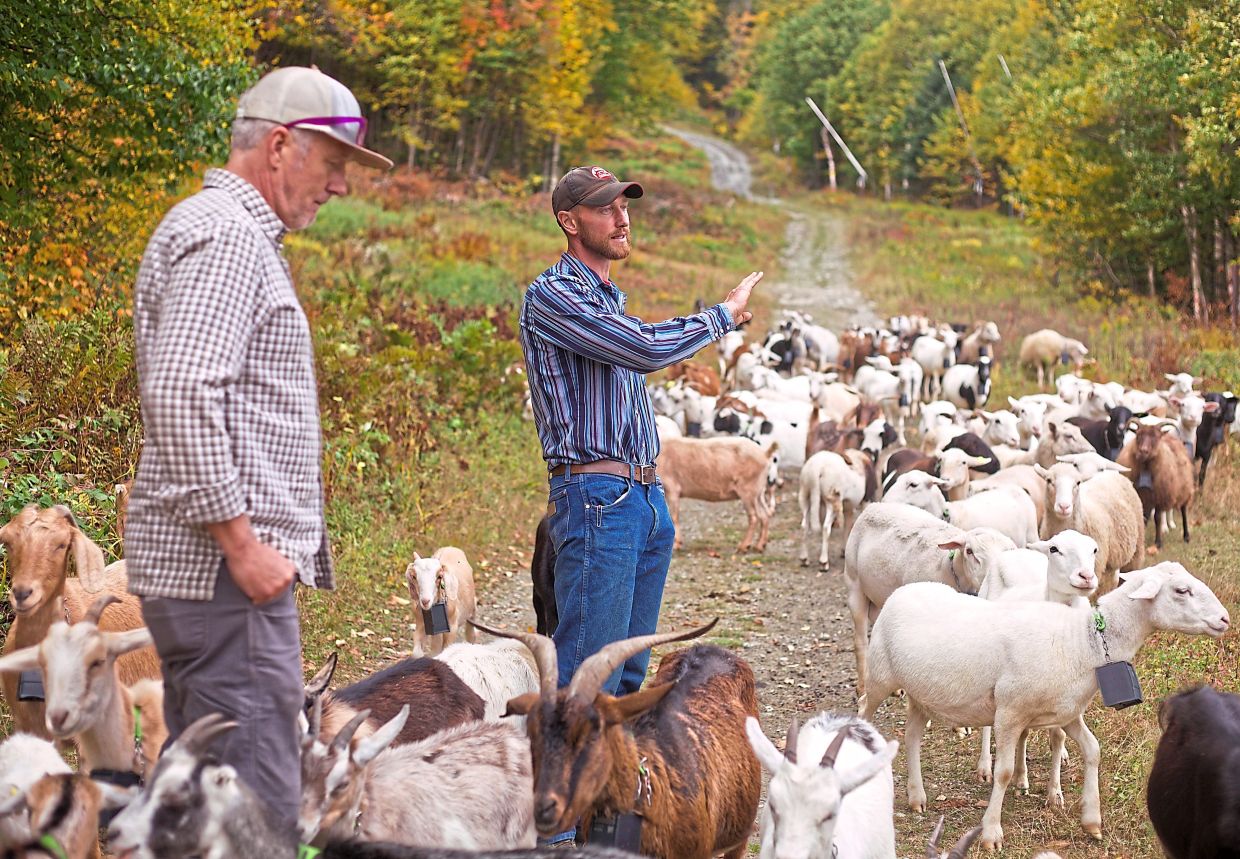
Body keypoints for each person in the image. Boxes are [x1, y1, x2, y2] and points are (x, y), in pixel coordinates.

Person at [125, 66, 392, 829]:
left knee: (208, 808)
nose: (340, 187)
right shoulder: (225, 237)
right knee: (259, 810)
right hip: (224, 584)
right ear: (281, 147)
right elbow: (181, 390)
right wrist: (240, 542)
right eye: (335, 165)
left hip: (220, 588)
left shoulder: (225, 233)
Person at [520, 165, 762, 701]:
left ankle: (619, 786)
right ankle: (554, 784)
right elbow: (646, 349)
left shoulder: (609, 300)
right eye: (605, 209)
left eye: (624, 207)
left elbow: (642, 346)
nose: (622, 218)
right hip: (598, 498)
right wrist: (720, 317)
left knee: (627, 675)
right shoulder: (555, 295)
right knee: (585, 674)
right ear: (569, 221)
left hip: (645, 498)